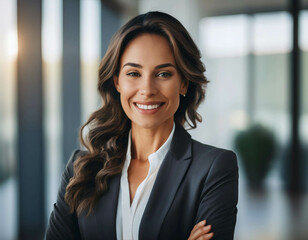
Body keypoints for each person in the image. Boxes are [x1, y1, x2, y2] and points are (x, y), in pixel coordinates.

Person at [46, 11, 238, 240]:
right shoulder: (81, 169)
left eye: (163, 73)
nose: (147, 89)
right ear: (117, 81)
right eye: (134, 73)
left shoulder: (213, 169)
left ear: (184, 82)